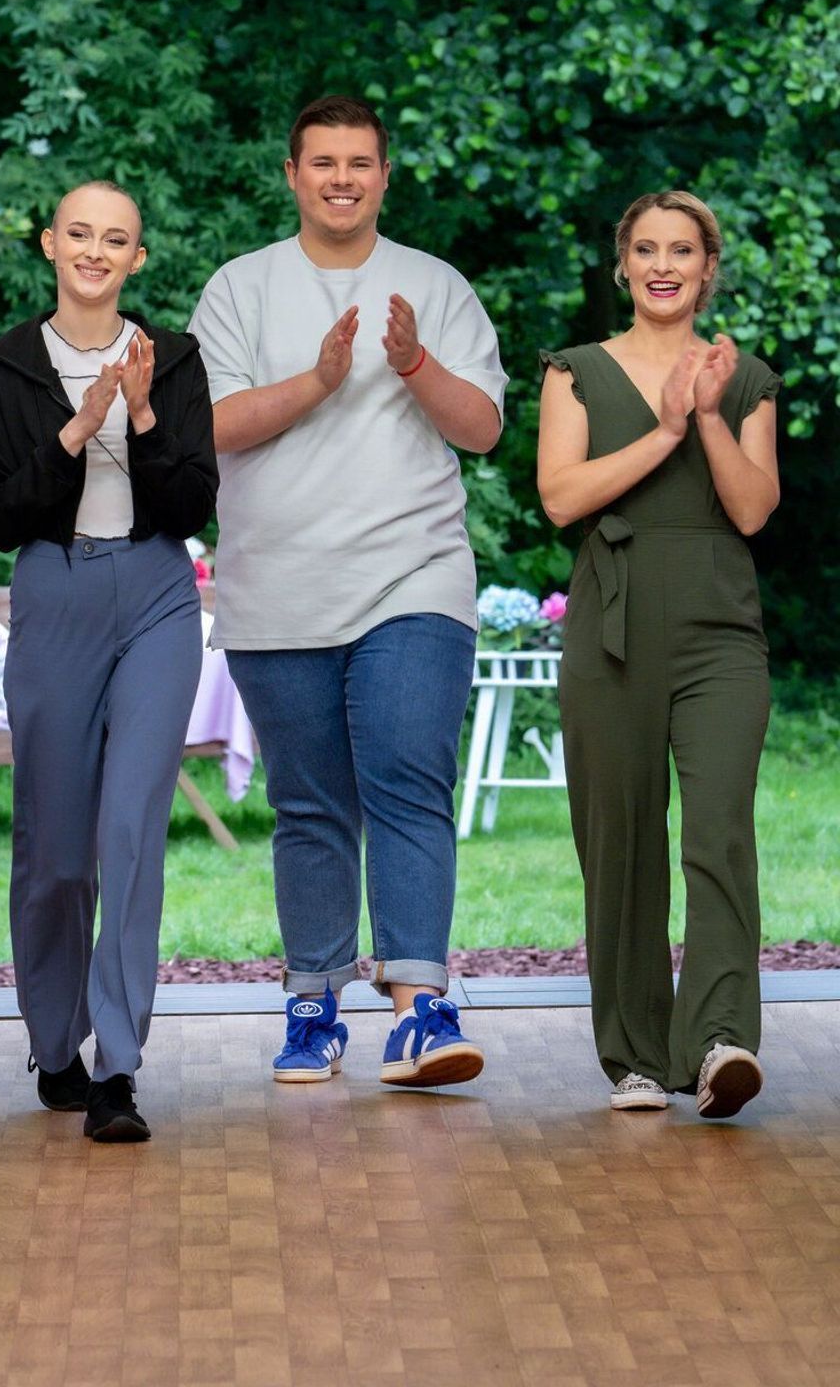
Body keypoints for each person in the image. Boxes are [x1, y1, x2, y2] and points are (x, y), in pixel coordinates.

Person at [189, 95, 506, 1088]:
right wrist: (318, 382)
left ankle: (421, 1008)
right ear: (292, 173)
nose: (340, 177)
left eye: (358, 162)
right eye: (322, 161)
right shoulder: (240, 289)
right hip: (277, 586)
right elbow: (209, 425)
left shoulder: (435, 285)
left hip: (414, 576)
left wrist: (411, 362)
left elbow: (484, 427)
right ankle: (313, 1004)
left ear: (383, 172)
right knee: (312, 804)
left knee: (408, 779)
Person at [0, 180, 217, 1143]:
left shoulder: (178, 359)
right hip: (55, 591)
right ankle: (56, 1043)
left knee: (129, 836)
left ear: (137, 259)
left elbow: (193, 503)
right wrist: (78, 429)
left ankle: (119, 1065)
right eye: (79, 234)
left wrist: (145, 416)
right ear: (49, 244)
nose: (95, 251)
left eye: (116, 240)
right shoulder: (6, 366)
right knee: (59, 855)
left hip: (157, 594)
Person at [537, 190, 780, 1119]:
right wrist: (668, 428)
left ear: (707, 268)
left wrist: (710, 417)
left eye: (683, 249)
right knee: (621, 840)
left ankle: (719, 1040)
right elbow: (561, 496)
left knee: (718, 831)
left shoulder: (745, 376)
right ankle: (636, 1056)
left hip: (721, 632)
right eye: (647, 248)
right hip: (614, 628)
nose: (664, 263)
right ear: (623, 264)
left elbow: (752, 510)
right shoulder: (576, 372)